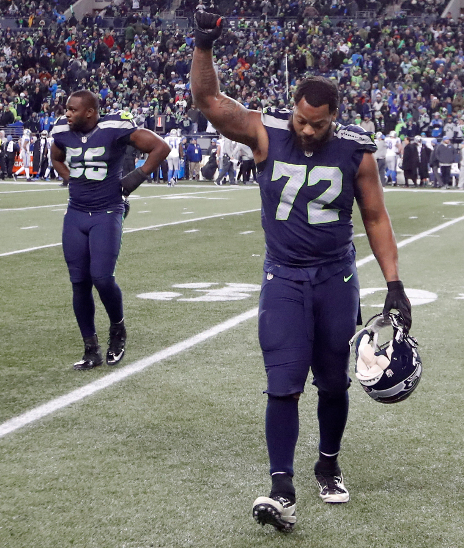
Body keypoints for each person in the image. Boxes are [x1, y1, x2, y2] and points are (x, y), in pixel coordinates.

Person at [191, 12, 412, 533]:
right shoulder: (266, 133)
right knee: (283, 383)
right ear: (293, 109)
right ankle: (281, 484)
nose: (308, 130)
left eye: (319, 123)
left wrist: (395, 283)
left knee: (334, 384)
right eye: (301, 120)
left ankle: (328, 462)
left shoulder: (355, 152)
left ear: (335, 115)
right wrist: (203, 47)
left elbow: (376, 218)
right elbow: (209, 101)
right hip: (284, 276)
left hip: (335, 277)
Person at [51, 90, 170, 370]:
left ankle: (118, 329)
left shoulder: (113, 128)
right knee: (79, 282)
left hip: (107, 211)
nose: (67, 113)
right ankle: (90, 347)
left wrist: (134, 179)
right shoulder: (61, 130)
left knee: (102, 278)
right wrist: (73, 178)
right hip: (76, 213)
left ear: (90, 112)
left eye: (72, 109)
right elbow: (56, 158)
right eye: (66, 108)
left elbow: (160, 147)